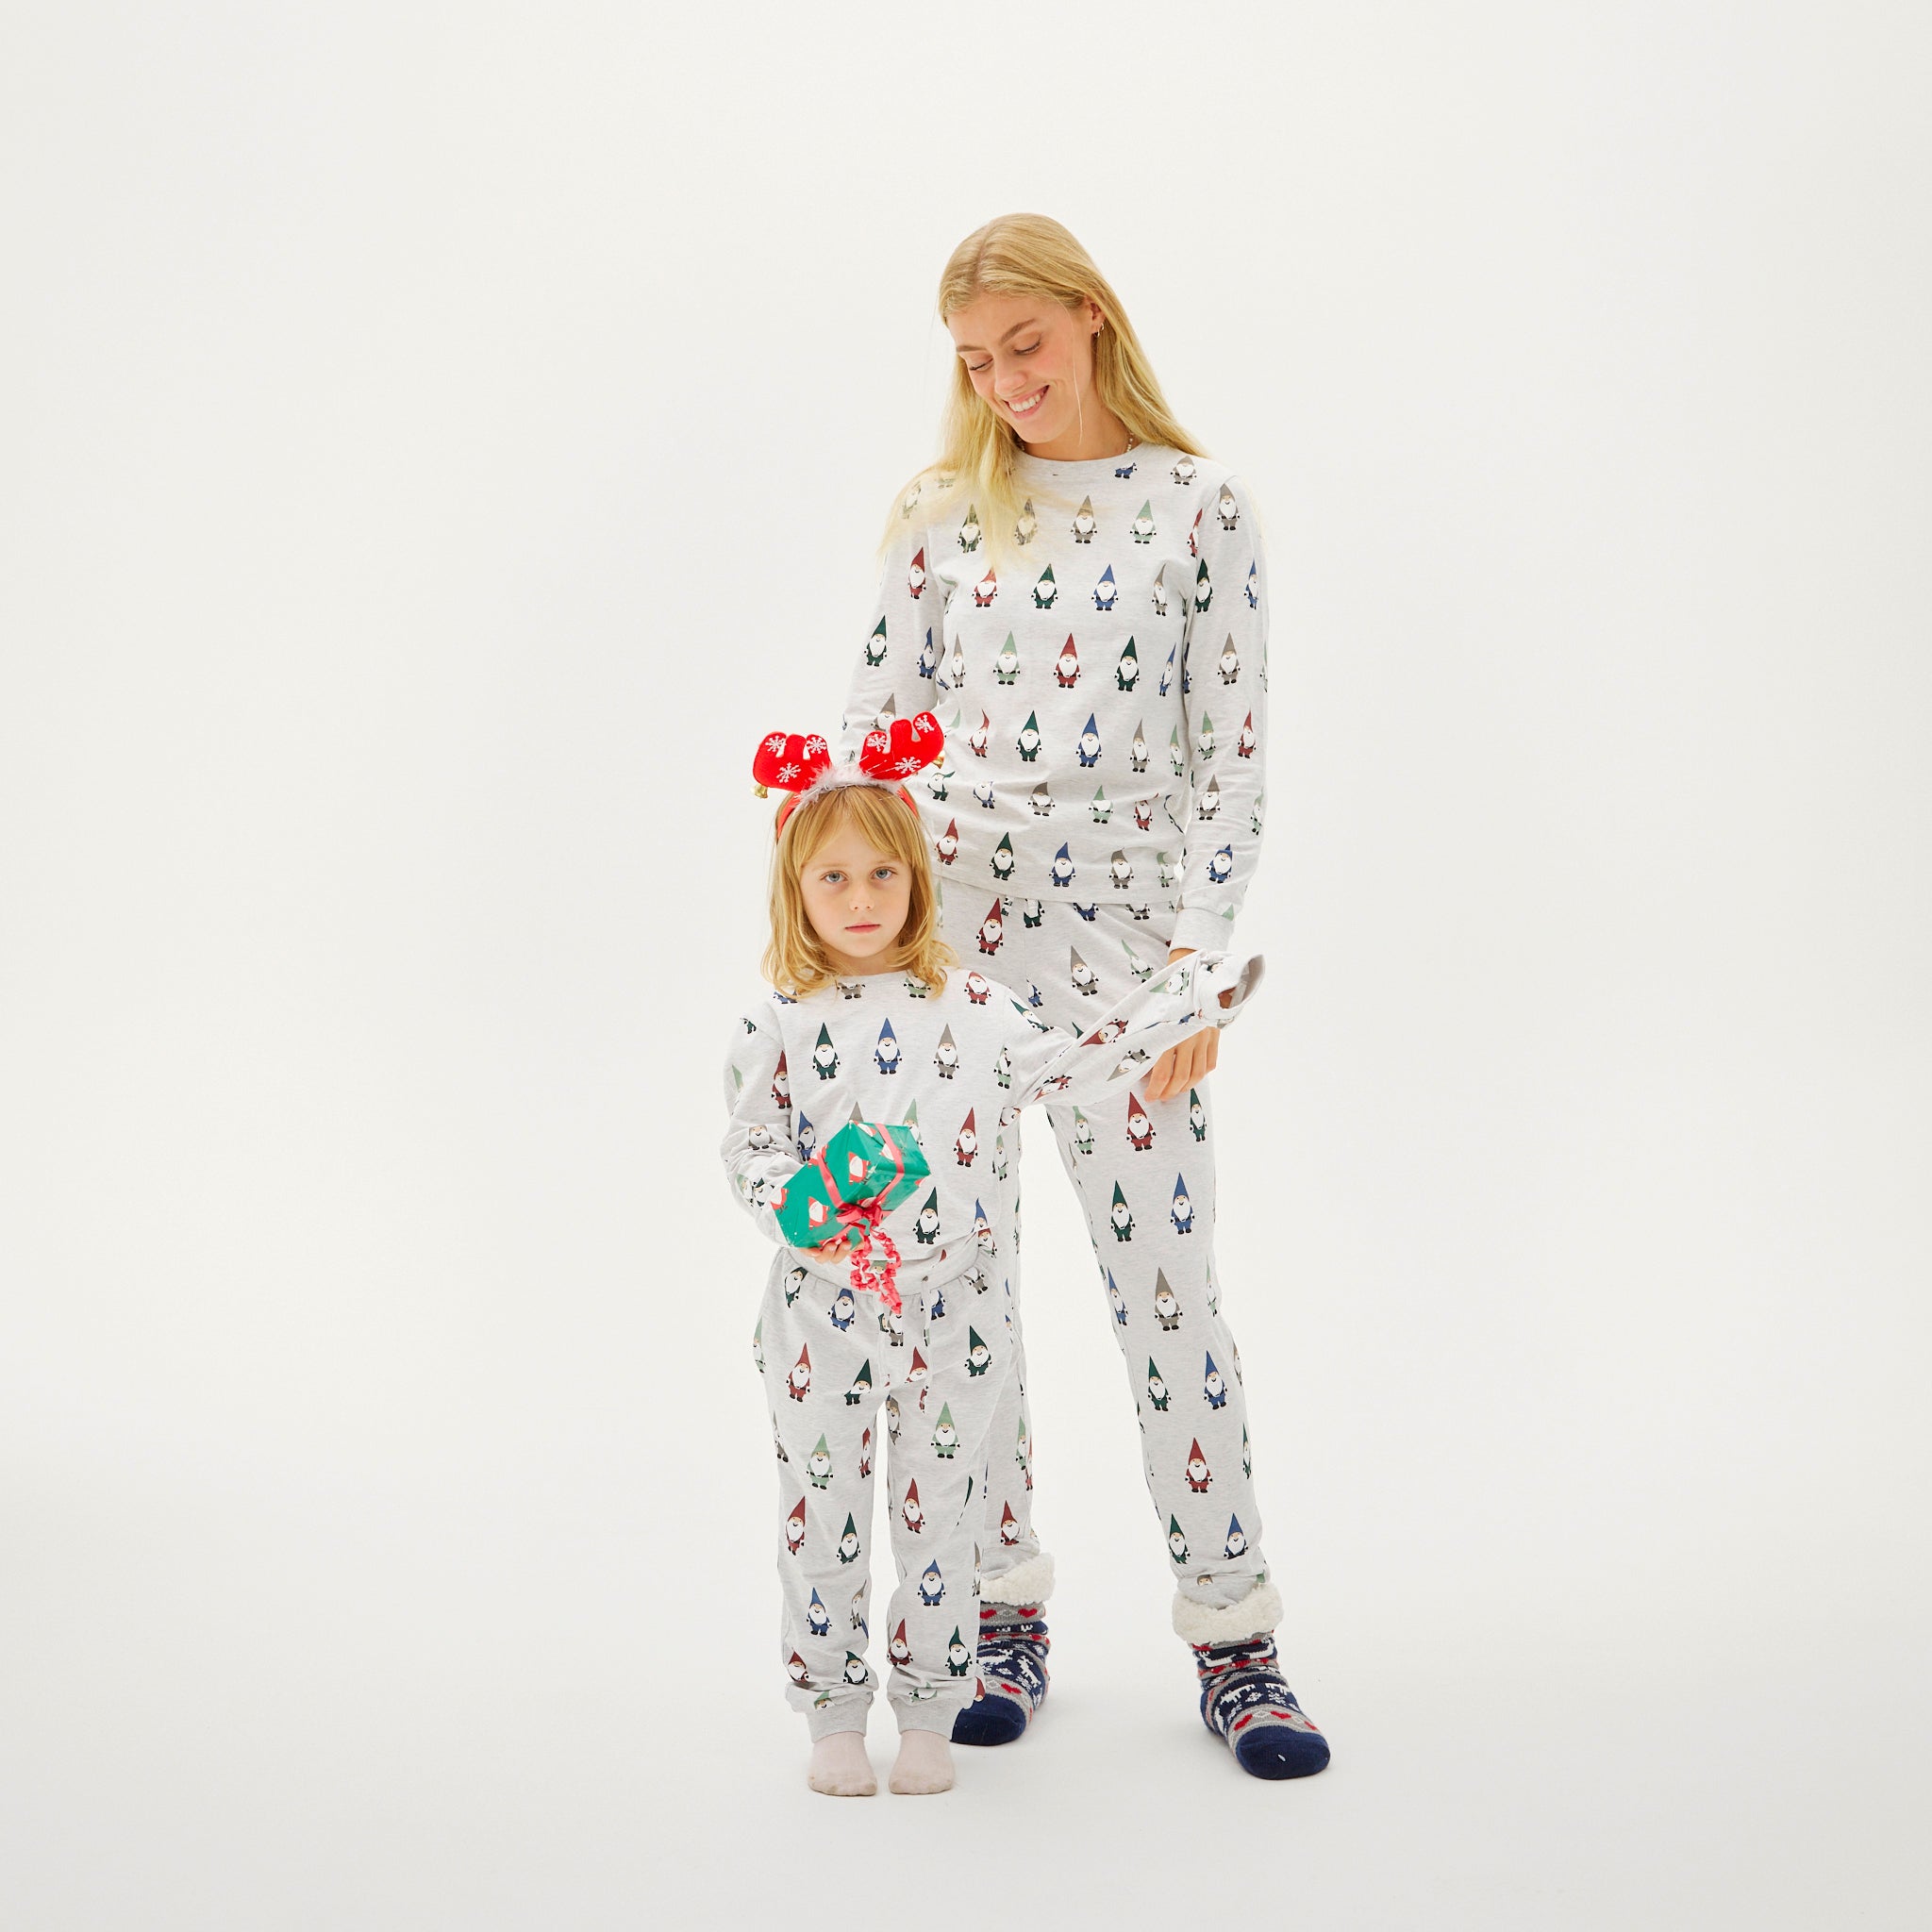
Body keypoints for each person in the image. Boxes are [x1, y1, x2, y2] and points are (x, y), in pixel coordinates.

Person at [838, 211, 1330, 1778]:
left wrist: (1196, 977)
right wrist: (865, 968)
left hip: (1130, 971)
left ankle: (1236, 1639)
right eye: (975, 361)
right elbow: (871, 743)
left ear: (1092, 319)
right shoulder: (937, 513)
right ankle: (1002, 1611)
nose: (1004, 382)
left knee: (1168, 1298)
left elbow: (1228, 768)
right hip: (954, 966)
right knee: (964, 1304)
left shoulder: (1202, 511)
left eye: (1025, 346)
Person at [721, 714, 1264, 1796]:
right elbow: (749, 1149)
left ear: (919, 877)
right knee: (820, 1523)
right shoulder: (776, 1020)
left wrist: (1183, 1001)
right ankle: (832, 1714)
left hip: (949, 1315)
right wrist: (807, 1204)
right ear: (794, 888)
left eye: (883, 871)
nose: (862, 897)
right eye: (833, 877)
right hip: (821, 1319)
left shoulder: (972, 1006)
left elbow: (1074, 1064)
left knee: (942, 1524)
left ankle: (931, 1706)